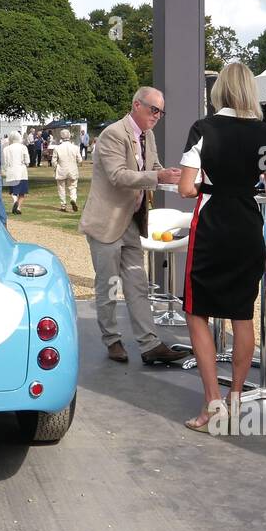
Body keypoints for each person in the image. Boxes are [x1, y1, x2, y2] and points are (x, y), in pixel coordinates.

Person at [177, 64, 266, 431]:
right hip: (247, 224)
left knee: (196, 312)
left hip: (211, 227)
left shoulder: (202, 129)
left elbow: (186, 188)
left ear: (218, 90)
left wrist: (208, 187)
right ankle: (237, 399)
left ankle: (212, 402)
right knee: (242, 315)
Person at [79, 86, 187, 366]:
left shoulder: (147, 136)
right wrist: (157, 175)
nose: (158, 116)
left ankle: (150, 345)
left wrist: (172, 176)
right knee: (109, 286)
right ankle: (112, 340)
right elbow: (118, 176)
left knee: (138, 285)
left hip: (131, 222)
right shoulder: (113, 134)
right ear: (136, 105)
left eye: (161, 112)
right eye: (154, 110)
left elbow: (154, 168)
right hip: (106, 224)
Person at [52, 128, 81, 212]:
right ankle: (73, 199)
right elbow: (80, 160)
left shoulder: (57, 148)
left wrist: (56, 168)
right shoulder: (75, 148)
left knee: (61, 188)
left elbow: (54, 161)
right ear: (69, 136)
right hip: (72, 170)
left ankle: (63, 205)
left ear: (61, 136)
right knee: (72, 187)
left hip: (61, 170)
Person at [2, 130, 30, 214]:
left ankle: (15, 201)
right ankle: (18, 207)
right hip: (21, 171)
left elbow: (5, 162)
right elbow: (27, 161)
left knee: (13, 191)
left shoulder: (6, 149)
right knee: (22, 192)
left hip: (11, 171)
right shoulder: (23, 147)